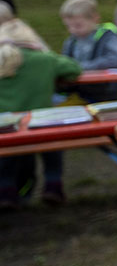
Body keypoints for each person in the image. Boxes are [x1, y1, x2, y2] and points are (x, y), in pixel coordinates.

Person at [0, 44, 84, 207]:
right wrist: (45, 50)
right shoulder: (44, 59)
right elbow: (74, 68)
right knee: (52, 145)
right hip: (39, 123)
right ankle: (53, 185)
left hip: (5, 127)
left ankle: (5, 191)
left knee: (8, 158)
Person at [60, 0, 117, 101]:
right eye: (68, 26)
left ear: (95, 18)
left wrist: (79, 67)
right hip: (79, 93)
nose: (72, 30)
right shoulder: (71, 41)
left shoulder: (108, 36)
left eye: (78, 25)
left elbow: (115, 60)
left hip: (105, 94)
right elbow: (64, 63)